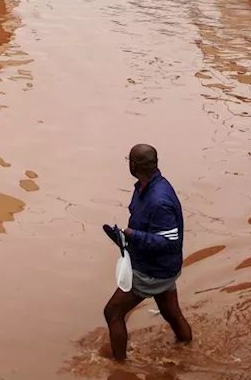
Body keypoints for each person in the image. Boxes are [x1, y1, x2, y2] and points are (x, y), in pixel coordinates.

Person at [102, 144, 193, 361]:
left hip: (153, 270)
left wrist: (134, 235)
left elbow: (171, 242)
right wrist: (124, 238)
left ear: (133, 165)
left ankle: (119, 367)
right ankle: (188, 348)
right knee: (171, 313)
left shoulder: (158, 200)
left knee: (113, 312)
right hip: (160, 265)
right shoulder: (145, 187)